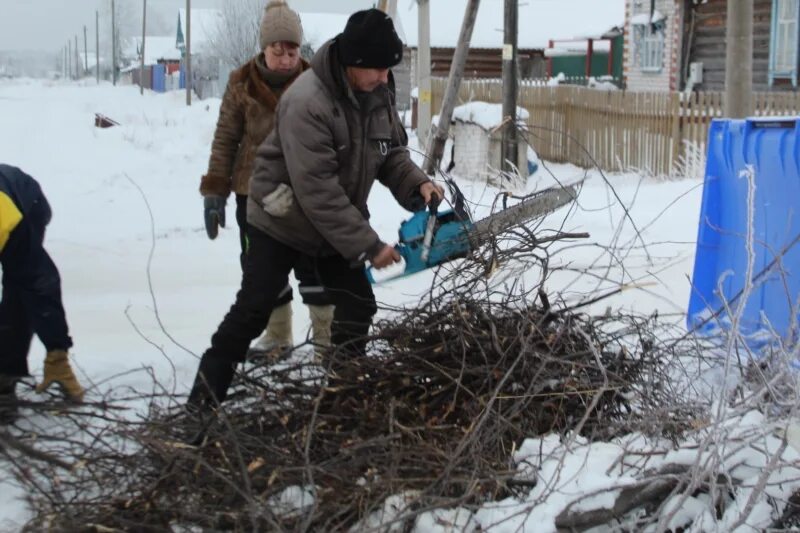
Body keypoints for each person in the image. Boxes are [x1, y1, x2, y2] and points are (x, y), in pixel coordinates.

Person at [187, 8, 444, 408]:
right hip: (280, 218)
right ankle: (202, 404)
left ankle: (342, 395)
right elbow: (317, 190)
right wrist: (370, 246)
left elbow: (390, 152)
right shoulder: (308, 100)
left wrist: (417, 184)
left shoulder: (377, 91)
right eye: (378, 68)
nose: (384, 77)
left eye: (387, 68)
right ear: (354, 62)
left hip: (329, 222)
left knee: (358, 304)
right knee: (254, 309)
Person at [200, 0, 333, 356]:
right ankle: (277, 335)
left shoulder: (316, 82)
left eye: (292, 52)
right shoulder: (241, 82)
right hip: (253, 194)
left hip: (304, 192)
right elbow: (225, 138)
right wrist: (215, 192)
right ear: (264, 49)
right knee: (259, 268)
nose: (286, 60)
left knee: (315, 265)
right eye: (278, 52)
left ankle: (326, 340)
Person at [0, 164, 85, 421]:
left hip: (27, 202)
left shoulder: (6, 222)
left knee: (19, 289)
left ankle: (4, 381)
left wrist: (57, 350)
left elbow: (41, 283)